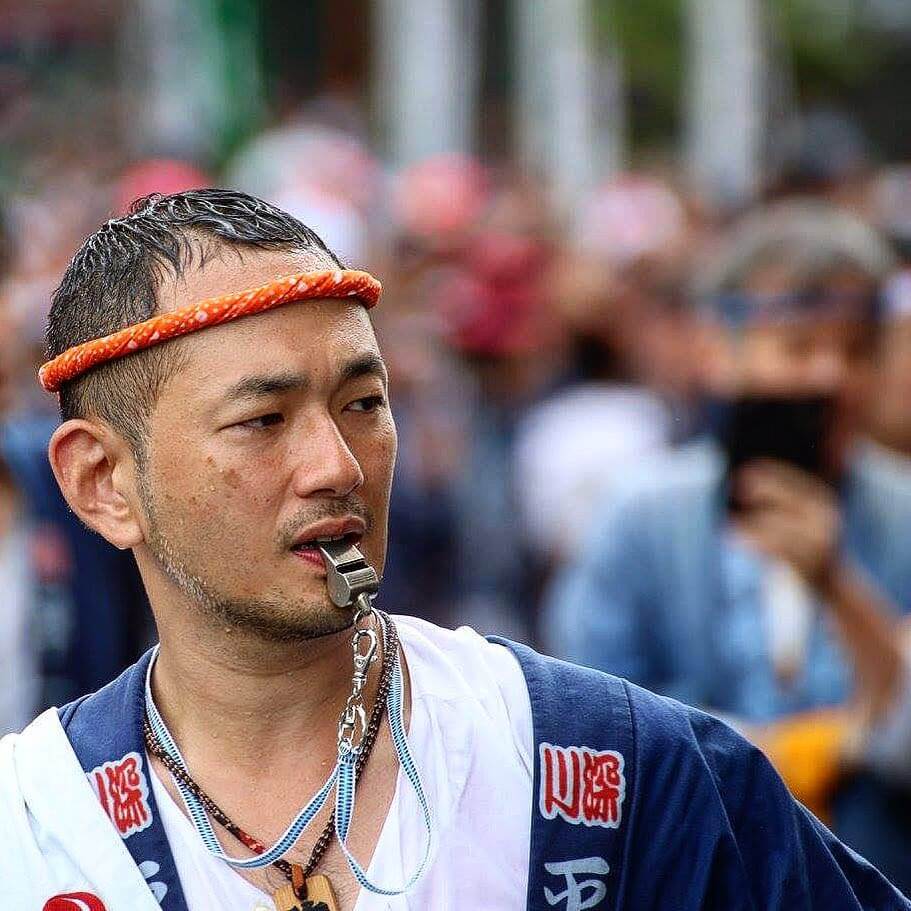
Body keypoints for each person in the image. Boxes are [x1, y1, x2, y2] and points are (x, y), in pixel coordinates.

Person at [1, 190, 908, 911]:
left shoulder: (607, 763)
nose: (337, 465)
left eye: (364, 403)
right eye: (262, 420)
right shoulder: (37, 826)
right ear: (101, 481)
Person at [544, 199, 911, 893]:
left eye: (857, 351)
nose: (829, 376)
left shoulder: (903, 511)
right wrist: (780, 753)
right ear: (717, 350)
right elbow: (586, 719)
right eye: (798, 346)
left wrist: (838, 585)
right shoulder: (639, 516)